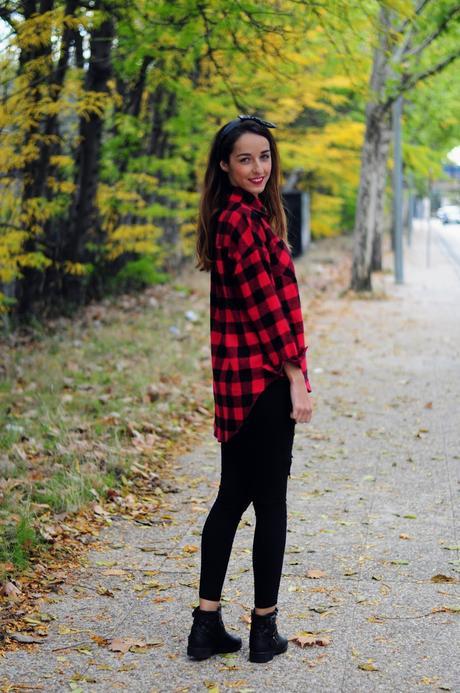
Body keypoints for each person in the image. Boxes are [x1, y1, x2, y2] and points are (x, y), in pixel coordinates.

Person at [188, 114, 313, 664]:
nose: (258, 167)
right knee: (271, 504)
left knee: (232, 497)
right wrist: (296, 379)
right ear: (225, 165)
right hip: (262, 383)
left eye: (263, 157)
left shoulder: (237, 216)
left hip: (239, 384)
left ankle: (206, 624)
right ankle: (264, 630)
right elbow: (269, 311)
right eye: (245, 158)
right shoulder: (242, 222)